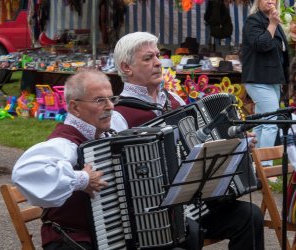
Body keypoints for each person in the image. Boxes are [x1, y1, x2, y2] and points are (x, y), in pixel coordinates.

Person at [111, 31, 264, 250]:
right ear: (127, 67)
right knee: (186, 237)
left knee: (249, 216)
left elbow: (200, 142)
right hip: (154, 216)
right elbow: (118, 173)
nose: (158, 63)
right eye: (148, 58)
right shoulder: (119, 115)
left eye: (157, 56)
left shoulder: (173, 99)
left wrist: (236, 142)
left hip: (195, 203)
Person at [11, 69, 119, 249]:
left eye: (111, 99)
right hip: (70, 240)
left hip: (104, 236)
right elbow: (23, 173)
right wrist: (82, 180)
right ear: (75, 107)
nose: (110, 106)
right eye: (100, 100)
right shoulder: (64, 143)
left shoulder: (101, 135)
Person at [241, 0, 290, 166]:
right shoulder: (253, 20)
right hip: (258, 79)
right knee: (271, 123)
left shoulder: (273, 20)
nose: (270, 0)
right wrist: (273, 24)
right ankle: (266, 168)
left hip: (272, 80)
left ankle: (256, 166)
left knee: (263, 124)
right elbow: (262, 44)